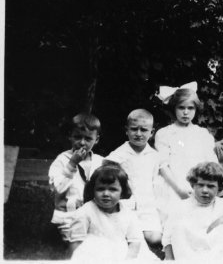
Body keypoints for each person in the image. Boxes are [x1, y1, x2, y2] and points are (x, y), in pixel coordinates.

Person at [162, 161, 223, 261]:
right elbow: (167, 237)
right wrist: (169, 260)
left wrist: (221, 221)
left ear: (219, 188)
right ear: (192, 185)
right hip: (189, 254)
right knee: (179, 226)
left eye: (211, 186)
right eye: (200, 185)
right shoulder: (181, 206)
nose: (205, 190)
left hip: (216, 254)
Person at [68, 163, 157, 261]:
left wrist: (129, 259)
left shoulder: (128, 214)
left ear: (122, 192)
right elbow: (76, 241)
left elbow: (135, 241)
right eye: (100, 189)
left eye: (113, 189)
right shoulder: (86, 211)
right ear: (93, 190)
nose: (106, 193)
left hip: (120, 252)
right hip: (94, 253)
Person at [105, 109, 166, 246]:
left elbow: (156, 183)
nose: (138, 134)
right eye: (134, 129)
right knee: (124, 235)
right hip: (128, 205)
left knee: (155, 238)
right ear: (126, 130)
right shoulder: (120, 153)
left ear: (152, 132)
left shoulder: (154, 155)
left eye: (143, 130)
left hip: (148, 207)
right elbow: (105, 168)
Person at [154, 81, 218, 205]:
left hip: (200, 186)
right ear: (174, 108)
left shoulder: (203, 134)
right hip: (173, 187)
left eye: (190, 108)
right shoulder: (164, 134)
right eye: (181, 107)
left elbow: (211, 164)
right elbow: (163, 167)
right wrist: (179, 190)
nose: (185, 112)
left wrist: (205, 187)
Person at [48, 113, 103, 241]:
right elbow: (59, 189)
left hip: (95, 214)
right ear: (70, 136)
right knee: (78, 242)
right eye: (77, 137)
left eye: (88, 138)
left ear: (97, 139)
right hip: (69, 215)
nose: (82, 142)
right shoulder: (62, 160)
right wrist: (72, 164)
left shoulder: (100, 162)